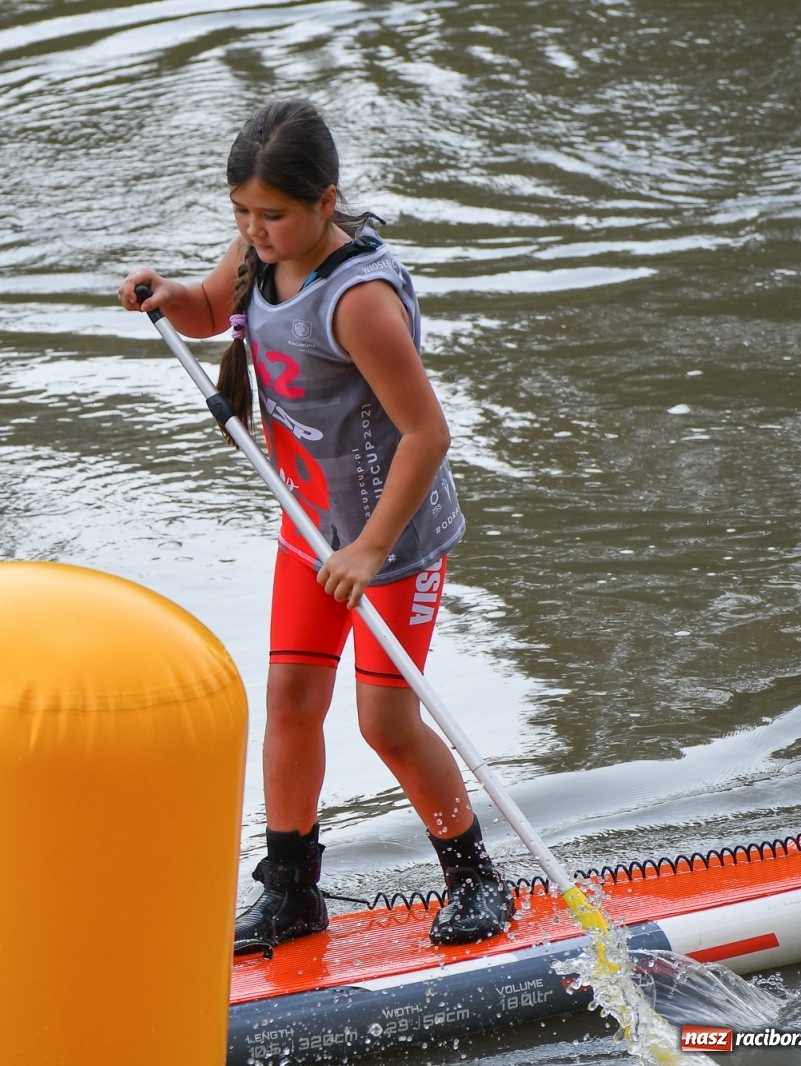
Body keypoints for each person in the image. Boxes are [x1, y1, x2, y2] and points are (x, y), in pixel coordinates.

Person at [117, 98, 513, 951]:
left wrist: (373, 547)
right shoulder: (263, 254)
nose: (255, 231)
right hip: (311, 530)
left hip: (392, 543)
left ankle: (476, 877)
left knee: (385, 721)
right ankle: (293, 892)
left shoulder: (359, 301)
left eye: (274, 215)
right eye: (242, 215)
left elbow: (426, 432)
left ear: (325, 202)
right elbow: (204, 308)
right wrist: (168, 293)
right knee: (292, 701)